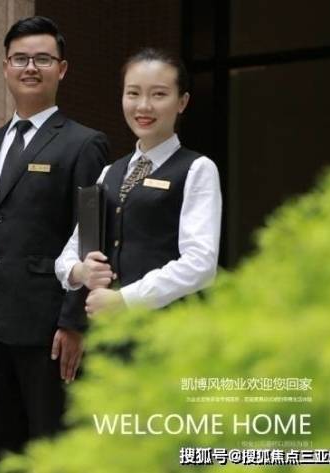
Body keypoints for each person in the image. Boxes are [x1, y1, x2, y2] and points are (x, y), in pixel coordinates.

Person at [0, 16, 110, 472]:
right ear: (5, 67)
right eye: (20, 59)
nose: (30, 67)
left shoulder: (84, 144)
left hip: (50, 331)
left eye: (42, 59)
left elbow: (92, 238)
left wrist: (75, 322)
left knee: (53, 452)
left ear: (62, 69)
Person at [55, 47, 222, 317]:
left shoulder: (197, 169)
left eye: (159, 94)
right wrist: (80, 271)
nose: (144, 106)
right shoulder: (108, 172)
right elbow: (70, 252)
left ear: (182, 102)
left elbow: (200, 264)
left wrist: (126, 299)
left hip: (166, 329)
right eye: (133, 93)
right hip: (108, 331)